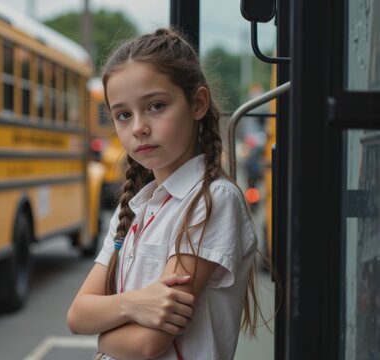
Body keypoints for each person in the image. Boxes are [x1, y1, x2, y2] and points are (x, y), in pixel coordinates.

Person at [67, 28, 259, 360]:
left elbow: (147, 344)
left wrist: (103, 337)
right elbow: (77, 315)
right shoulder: (135, 206)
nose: (138, 127)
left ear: (197, 103)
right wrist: (133, 303)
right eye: (123, 115)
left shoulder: (212, 201)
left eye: (156, 106)